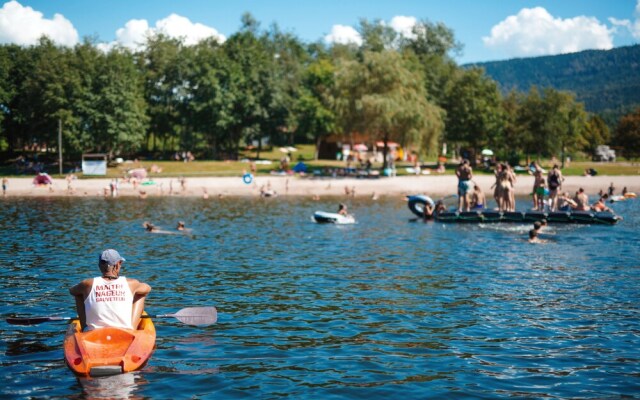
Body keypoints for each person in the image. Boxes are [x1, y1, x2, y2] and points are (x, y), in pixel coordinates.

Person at [69, 249, 151, 331]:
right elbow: (147, 288)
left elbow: (71, 290)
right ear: (117, 265)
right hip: (123, 333)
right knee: (141, 293)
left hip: (93, 334)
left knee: (78, 294)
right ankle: (131, 328)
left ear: (99, 266)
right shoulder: (131, 283)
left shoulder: (87, 284)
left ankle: (85, 328)